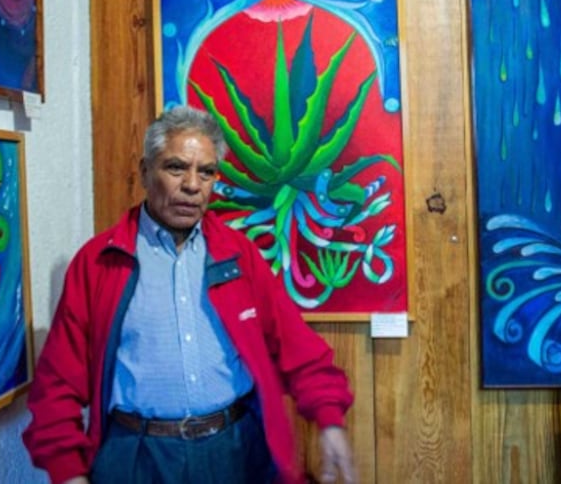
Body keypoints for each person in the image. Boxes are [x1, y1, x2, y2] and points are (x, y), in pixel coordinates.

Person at [23, 106, 356, 484]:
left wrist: (330, 420)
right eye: (176, 167)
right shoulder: (99, 263)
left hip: (234, 452)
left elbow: (299, 349)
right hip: (137, 457)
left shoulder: (239, 255)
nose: (193, 185)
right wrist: (67, 472)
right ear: (145, 171)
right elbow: (57, 385)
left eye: (207, 172)